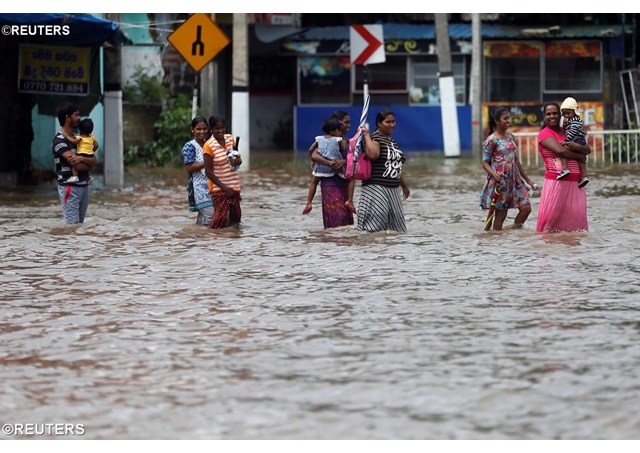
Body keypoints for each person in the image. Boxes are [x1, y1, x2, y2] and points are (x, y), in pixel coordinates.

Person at [536, 102, 591, 233]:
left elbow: (587, 149)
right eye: (548, 114)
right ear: (544, 117)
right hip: (557, 182)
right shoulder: (544, 134)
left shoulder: (568, 130)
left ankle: (569, 253)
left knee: (575, 227)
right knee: (550, 225)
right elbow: (561, 152)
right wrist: (580, 157)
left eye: (555, 113)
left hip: (576, 184)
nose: (552, 116)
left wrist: (579, 149)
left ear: (561, 115)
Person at [479, 107, 537, 230]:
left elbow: (516, 160)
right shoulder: (491, 140)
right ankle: (498, 240)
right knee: (501, 215)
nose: (508, 121)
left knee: (526, 208)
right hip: (500, 182)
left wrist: (528, 180)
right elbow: (484, 163)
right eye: (505, 118)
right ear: (496, 121)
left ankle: (512, 233)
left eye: (508, 118)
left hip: (515, 179)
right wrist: (494, 175)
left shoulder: (511, 137)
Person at [356, 109, 410, 232]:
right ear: (379, 123)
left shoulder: (392, 142)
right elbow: (373, 155)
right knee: (374, 228)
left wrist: (404, 186)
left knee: (396, 231)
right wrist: (365, 135)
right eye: (388, 122)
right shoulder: (374, 138)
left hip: (393, 189)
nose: (392, 125)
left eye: (393, 122)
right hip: (376, 188)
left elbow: (395, 166)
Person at [52, 102, 98, 225]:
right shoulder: (59, 141)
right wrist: (89, 161)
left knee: (79, 227)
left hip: (84, 186)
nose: (79, 118)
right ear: (68, 118)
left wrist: (83, 159)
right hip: (69, 187)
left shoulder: (79, 139)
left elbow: (95, 161)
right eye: (76, 115)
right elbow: (77, 165)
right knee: (72, 228)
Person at [309, 111, 354, 229]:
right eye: (345, 122)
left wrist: (343, 162)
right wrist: (330, 163)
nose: (348, 125)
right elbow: (313, 155)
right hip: (329, 184)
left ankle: (340, 244)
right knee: (335, 219)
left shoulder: (347, 142)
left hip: (343, 184)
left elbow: (356, 159)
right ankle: (333, 244)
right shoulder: (324, 141)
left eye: (349, 122)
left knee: (345, 222)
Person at [202, 116, 242, 229]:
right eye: (217, 128)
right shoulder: (209, 146)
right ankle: (212, 240)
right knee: (219, 221)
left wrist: (238, 161)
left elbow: (237, 161)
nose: (220, 131)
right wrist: (225, 188)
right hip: (218, 189)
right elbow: (208, 172)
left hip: (234, 186)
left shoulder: (230, 139)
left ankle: (232, 243)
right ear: (211, 129)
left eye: (222, 128)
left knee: (236, 220)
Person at [181, 116, 214, 225]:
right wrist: (207, 161)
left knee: (204, 219)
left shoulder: (209, 144)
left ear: (208, 129)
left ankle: (198, 236)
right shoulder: (190, 146)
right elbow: (189, 167)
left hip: (213, 186)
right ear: (192, 130)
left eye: (204, 129)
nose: (202, 132)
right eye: (198, 129)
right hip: (199, 187)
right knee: (211, 216)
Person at [556, 96, 590, 188]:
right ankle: (584, 176)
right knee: (581, 160)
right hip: (580, 141)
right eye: (564, 114)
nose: (566, 115)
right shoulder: (575, 120)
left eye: (568, 113)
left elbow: (571, 132)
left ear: (575, 112)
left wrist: (566, 142)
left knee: (562, 151)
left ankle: (565, 168)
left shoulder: (575, 121)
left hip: (575, 140)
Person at [63, 117, 98, 184]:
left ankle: (75, 177)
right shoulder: (92, 137)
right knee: (89, 165)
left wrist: (67, 136)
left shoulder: (79, 137)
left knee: (74, 164)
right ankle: (90, 177)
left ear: (80, 129)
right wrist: (92, 151)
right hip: (90, 154)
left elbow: (74, 142)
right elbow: (96, 145)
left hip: (81, 154)